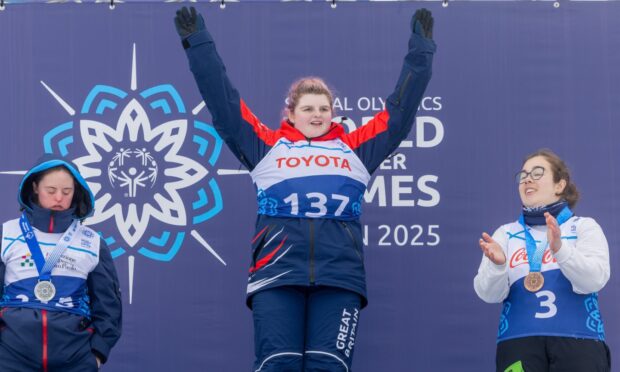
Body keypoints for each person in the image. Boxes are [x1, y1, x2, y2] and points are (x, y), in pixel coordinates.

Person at [175, 6, 436, 371]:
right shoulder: (266, 147)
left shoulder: (356, 149)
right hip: (276, 275)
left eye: (325, 108)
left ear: (333, 113)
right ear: (290, 114)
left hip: (340, 277)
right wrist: (198, 43)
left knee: (328, 367)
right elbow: (224, 103)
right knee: (277, 365)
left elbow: (401, 111)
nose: (317, 115)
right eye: (309, 108)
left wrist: (421, 52)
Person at [474, 149, 611, 372]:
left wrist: (561, 249)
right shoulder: (505, 234)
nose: (527, 178)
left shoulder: (584, 226)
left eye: (538, 173)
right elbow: (487, 294)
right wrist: (498, 265)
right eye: (523, 175)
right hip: (517, 344)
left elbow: (594, 280)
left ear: (560, 185)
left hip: (579, 343)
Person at [0, 155, 122, 372]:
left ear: (76, 191)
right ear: (35, 187)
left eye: (67, 192)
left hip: (75, 361)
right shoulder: (6, 234)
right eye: (51, 190)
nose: (59, 198)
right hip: (11, 358)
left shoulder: (92, 242)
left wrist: (96, 354)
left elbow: (108, 305)